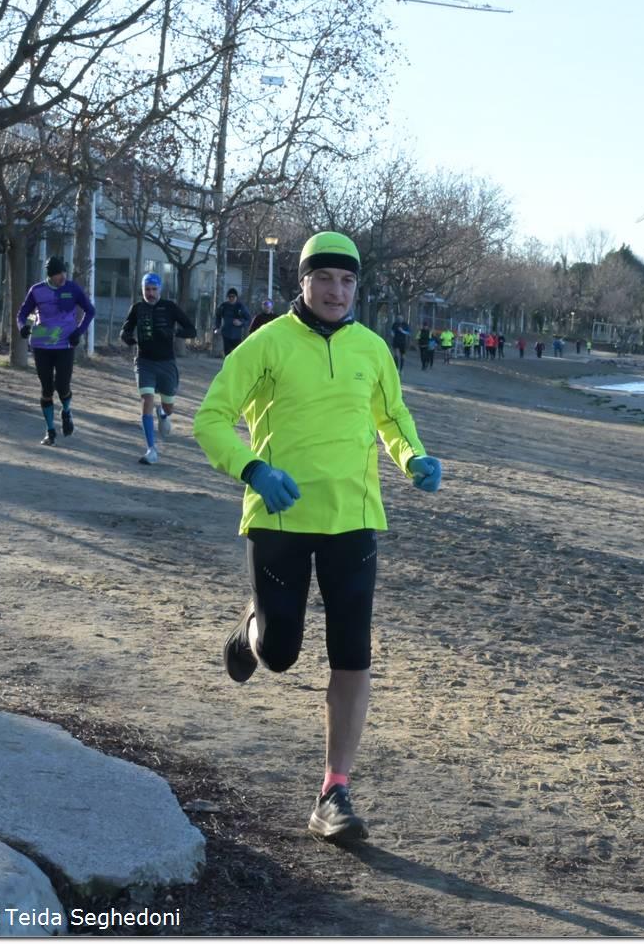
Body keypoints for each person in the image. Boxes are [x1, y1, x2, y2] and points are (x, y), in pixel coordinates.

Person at [193, 231, 442, 846]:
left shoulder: (372, 348)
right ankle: (251, 629)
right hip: (279, 518)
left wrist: (413, 457)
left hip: (353, 519)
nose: (336, 291)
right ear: (302, 281)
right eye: (324, 278)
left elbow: (391, 417)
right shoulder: (267, 344)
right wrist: (253, 469)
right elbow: (210, 419)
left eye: (347, 280)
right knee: (280, 654)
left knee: (352, 652)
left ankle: (334, 791)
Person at [16, 255, 95, 446]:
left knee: (62, 386)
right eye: (59, 273)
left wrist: (79, 332)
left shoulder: (72, 288)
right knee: (47, 389)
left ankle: (66, 412)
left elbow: (90, 310)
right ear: (50, 275)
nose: (63, 276)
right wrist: (23, 327)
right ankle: (50, 431)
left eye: (64, 272)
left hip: (65, 344)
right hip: (41, 345)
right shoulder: (37, 290)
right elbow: (22, 314)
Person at [119, 272, 197, 465]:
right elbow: (125, 330)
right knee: (147, 399)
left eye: (154, 289)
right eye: (147, 289)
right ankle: (151, 449)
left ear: (160, 290)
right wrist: (127, 337)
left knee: (169, 406)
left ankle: (162, 413)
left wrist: (175, 332)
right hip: (144, 362)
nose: (150, 293)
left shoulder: (170, 307)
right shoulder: (137, 308)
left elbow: (191, 330)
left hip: (166, 363)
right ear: (142, 290)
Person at [213, 287, 249, 357]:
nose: (231, 298)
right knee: (227, 355)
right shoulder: (223, 306)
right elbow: (218, 316)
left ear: (236, 297)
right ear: (227, 297)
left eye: (233, 297)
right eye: (230, 297)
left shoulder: (240, 307)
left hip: (237, 335)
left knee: (237, 355)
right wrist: (217, 327)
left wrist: (241, 322)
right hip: (226, 334)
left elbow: (248, 319)